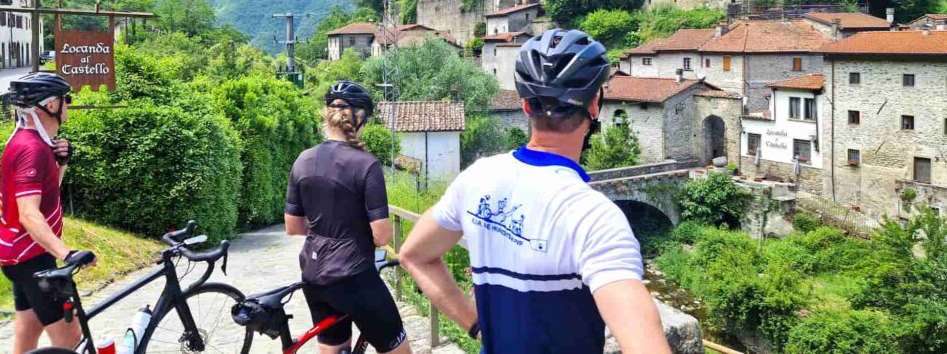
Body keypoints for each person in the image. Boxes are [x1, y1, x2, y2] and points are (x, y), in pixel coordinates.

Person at [399, 29, 672, 354]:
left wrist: (477, 326)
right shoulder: (594, 217)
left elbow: (413, 255)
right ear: (595, 106)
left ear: (526, 106)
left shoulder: (476, 178)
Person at [284, 81, 412, 354]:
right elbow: (382, 235)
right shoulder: (367, 164)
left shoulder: (302, 160)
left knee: (334, 348)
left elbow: (293, 226)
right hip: (354, 277)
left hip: (313, 276)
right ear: (361, 118)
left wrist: (326, 231)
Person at [0, 72, 92, 354]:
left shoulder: (32, 141)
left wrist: (61, 163)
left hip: (20, 256)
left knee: (28, 325)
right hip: (32, 256)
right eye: (65, 99)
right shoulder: (32, 149)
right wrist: (67, 254)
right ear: (51, 105)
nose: (68, 105)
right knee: (71, 338)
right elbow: (29, 214)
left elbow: (47, 197)